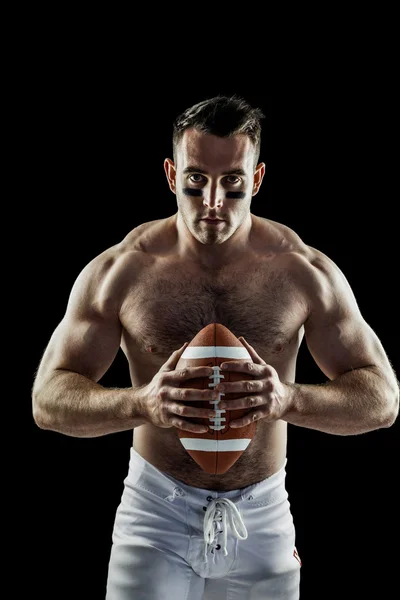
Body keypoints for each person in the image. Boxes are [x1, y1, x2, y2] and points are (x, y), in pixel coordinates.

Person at [32, 94, 399, 600]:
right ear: (170, 174)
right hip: (155, 513)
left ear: (258, 178)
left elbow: (382, 399)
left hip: (263, 514)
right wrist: (141, 403)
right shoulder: (123, 271)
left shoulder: (301, 272)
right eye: (195, 181)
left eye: (233, 184)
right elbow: (47, 399)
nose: (212, 203)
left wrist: (289, 400)